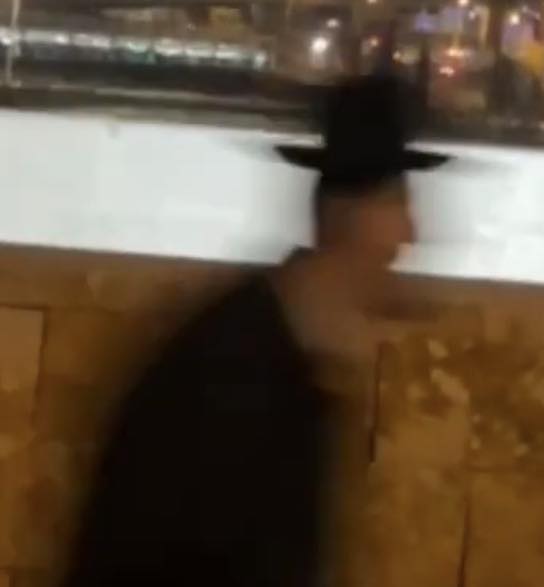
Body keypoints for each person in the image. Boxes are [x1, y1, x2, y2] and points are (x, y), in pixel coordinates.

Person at [61, 74, 449, 587]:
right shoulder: (233, 379)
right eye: (397, 202)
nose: (411, 234)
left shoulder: (272, 352)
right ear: (347, 216)